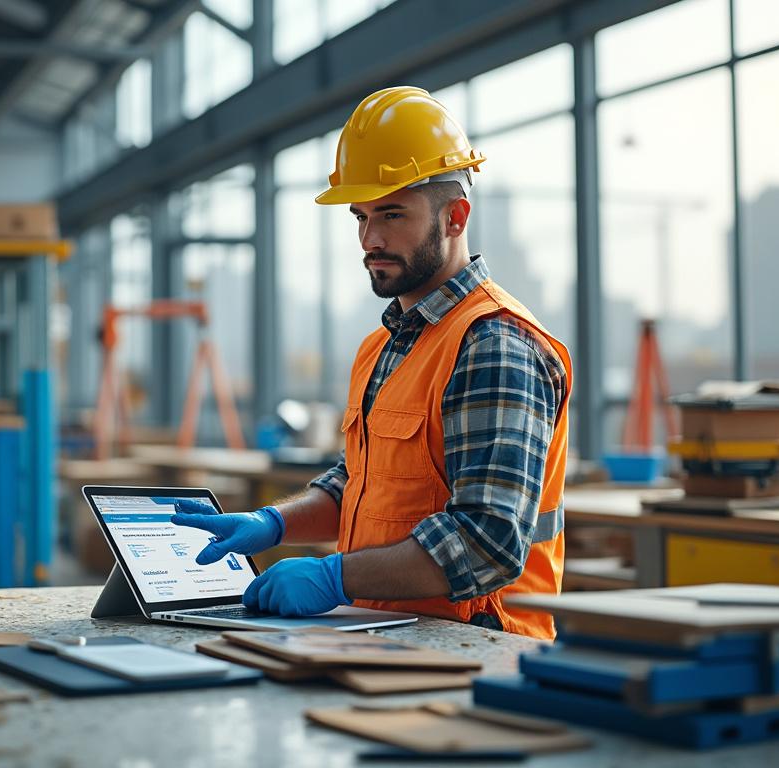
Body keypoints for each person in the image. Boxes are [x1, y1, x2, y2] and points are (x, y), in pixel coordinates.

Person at [172, 86, 572, 639]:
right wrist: (273, 523)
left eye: (392, 214)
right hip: (384, 637)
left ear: (455, 217)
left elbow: (488, 540)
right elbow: (359, 484)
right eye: (360, 216)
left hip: (478, 651)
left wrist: (334, 577)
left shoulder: (494, 344)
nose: (370, 238)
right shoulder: (384, 346)